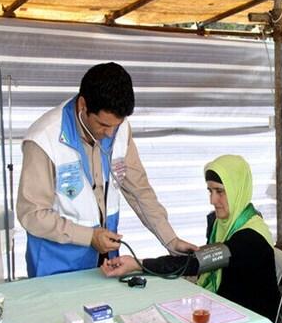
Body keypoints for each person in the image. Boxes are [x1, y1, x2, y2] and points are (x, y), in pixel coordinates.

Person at [17, 62, 197, 278]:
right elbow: (32, 214)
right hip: (56, 264)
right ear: (83, 105)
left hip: (104, 262)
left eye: (117, 125)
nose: (111, 133)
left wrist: (170, 239)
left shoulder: (119, 129)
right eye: (103, 125)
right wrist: (88, 236)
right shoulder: (43, 139)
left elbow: (139, 190)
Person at [102, 154, 280, 321]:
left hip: (250, 322)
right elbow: (200, 259)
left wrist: (137, 264)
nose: (213, 200)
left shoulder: (251, 237)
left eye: (220, 191)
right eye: (210, 191)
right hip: (225, 308)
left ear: (237, 190)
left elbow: (196, 263)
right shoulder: (220, 224)